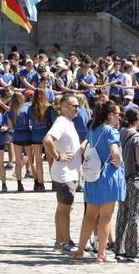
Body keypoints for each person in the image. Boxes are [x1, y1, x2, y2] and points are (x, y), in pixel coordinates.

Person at [70, 101, 127, 262]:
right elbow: (115, 152)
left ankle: (80, 250)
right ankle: (101, 253)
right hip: (107, 176)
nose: (119, 116)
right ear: (110, 115)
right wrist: (118, 161)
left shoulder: (93, 129)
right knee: (106, 216)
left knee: (90, 215)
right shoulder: (111, 131)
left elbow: (84, 147)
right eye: (117, 114)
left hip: (93, 175)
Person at [43, 94, 83, 253]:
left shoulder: (68, 122)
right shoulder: (61, 122)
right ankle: (66, 242)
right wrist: (58, 156)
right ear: (65, 106)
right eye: (74, 105)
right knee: (65, 209)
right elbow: (47, 140)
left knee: (62, 208)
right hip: (64, 173)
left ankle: (60, 240)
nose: (77, 108)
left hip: (68, 173)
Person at [114, 108, 139, 260]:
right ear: (137, 119)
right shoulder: (138, 137)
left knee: (122, 214)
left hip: (122, 178)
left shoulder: (120, 133)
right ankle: (132, 248)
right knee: (135, 215)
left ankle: (118, 246)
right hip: (135, 178)